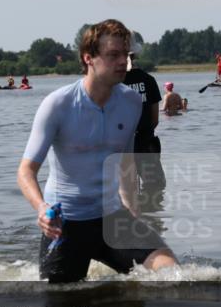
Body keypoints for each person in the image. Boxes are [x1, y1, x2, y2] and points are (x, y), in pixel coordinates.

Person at [17, 19, 177, 283]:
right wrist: (41, 208)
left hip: (113, 217)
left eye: (125, 55)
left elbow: (125, 163)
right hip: (66, 224)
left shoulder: (131, 101)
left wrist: (133, 212)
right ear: (88, 58)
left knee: (173, 274)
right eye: (113, 55)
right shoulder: (58, 104)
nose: (123, 62)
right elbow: (26, 171)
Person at [123, 35, 165, 191]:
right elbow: (155, 119)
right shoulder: (149, 80)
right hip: (146, 143)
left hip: (122, 145)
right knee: (155, 189)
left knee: (127, 191)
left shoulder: (114, 83)